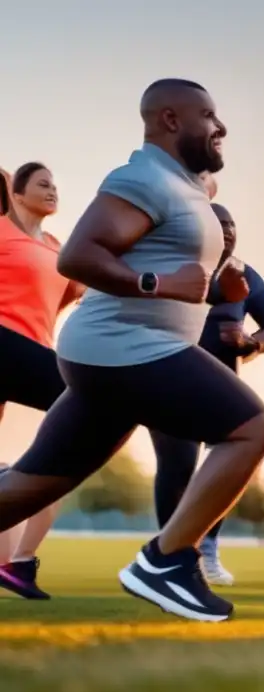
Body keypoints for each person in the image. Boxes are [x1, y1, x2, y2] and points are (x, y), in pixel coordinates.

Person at [0, 79, 264, 623]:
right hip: (124, 347)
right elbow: (78, 256)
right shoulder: (143, 177)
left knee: (31, 487)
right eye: (209, 116)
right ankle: (167, 561)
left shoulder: (184, 186)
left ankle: (167, 559)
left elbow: (179, 270)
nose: (220, 128)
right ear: (170, 120)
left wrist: (223, 292)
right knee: (251, 428)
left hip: (116, 354)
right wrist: (158, 284)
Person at [148, 201, 264, 586]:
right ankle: (170, 552)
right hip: (169, 381)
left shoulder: (244, 275)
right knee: (176, 467)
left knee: (228, 467)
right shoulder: (176, 265)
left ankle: (206, 549)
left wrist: (252, 343)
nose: (226, 230)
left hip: (222, 387)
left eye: (231, 224)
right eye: (217, 223)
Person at [0, 162, 84, 600]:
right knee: (91, 401)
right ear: (16, 193)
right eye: (42, 184)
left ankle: (15, 562)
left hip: (28, 353)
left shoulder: (57, 248)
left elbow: (84, 289)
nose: (53, 190)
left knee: (69, 446)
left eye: (56, 184)